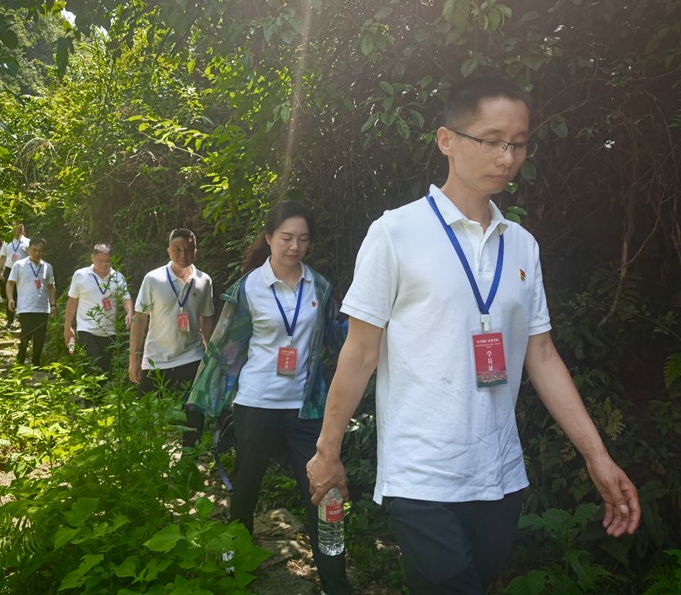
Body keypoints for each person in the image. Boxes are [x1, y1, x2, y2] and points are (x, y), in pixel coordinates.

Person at [306, 75, 641, 594]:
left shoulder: (522, 245)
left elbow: (542, 355)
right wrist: (328, 451)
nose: (507, 157)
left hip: (500, 475)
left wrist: (597, 455)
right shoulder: (395, 233)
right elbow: (360, 353)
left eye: (518, 144)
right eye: (491, 141)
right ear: (447, 140)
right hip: (422, 476)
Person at [187, 201, 352, 595]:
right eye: (286, 238)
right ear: (269, 238)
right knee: (245, 489)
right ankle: (234, 570)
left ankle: (336, 585)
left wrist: (374, 323)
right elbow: (225, 349)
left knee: (323, 493)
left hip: (306, 407)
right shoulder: (249, 288)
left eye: (303, 239)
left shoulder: (319, 286)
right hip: (256, 403)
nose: (295, 247)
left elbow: (336, 337)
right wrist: (206, 399)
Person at [129, 229, 216, 446]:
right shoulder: (153, 279)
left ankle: (189, 458)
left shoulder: (204, 280)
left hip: (191, 355)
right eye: (177, 249)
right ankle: (149, 456)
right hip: (156, 358)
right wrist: (134, 357)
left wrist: (211, 355)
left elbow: (207, 318)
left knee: (194, 414)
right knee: (147, 414)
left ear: (196, 251)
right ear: (168, 251)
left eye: (188, 249)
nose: (183, 254)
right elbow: (140, 318)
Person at [64, 243, 134, 374]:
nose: (104, 264)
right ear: (92, 258)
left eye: (108, 261)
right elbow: (72, 301)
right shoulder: (80, 275)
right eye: (100, 260)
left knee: (105, 369)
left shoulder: (117, 277)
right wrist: (68, 327)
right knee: (92, 364)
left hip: (109, 331)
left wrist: (129, 312)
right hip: (86, 328)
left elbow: (126, 299)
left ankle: (97, 388)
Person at [7, 237, 56, 367]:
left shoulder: (48, 267)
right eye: (34, 250)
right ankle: (20, 359)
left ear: (44, 252)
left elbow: (51, 287)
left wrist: (53, 305)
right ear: (29, 249)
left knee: (40, 337)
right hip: (25, 307)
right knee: (26, 334)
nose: (37, 253)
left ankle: (36, 362)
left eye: (40, 251)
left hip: (43, 308)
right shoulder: (19, 265)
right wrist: (10, 298)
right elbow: (10, 283)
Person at [0, 223, 30, 329]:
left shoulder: (28, 242)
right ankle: (10, 320)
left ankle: (22, 319)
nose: (17, 232)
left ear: (23, 230)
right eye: (16, 230)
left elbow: (31, 257)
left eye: (20, 230)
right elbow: (3, 257)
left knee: (23, 294)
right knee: (10, 295)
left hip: (23, 270)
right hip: (9, 270)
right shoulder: (7, 241)